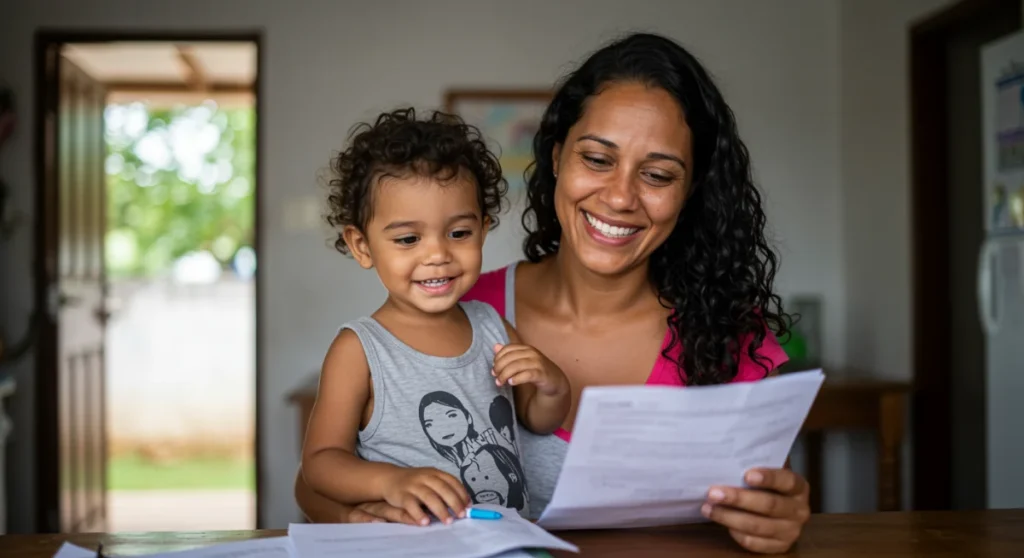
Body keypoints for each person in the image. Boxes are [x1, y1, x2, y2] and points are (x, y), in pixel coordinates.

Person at [296, 32, 811, 554]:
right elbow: (316, 480)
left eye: (657, 174)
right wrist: (369, 515)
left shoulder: (727, 334)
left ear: (690, 189)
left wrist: (777, 518)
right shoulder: (459, 311)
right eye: (598, 159)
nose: (620, 197)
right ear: (559, 156)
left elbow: (763, 500)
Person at [300, 108, 571, 527]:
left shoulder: (491, 325)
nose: (438, 254)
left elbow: (536, 419)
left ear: (483, 229)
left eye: (459, 233)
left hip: (506, 542)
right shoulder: (360, 349)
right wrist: (391, 482)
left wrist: (553, 386)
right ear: (362, 246)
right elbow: (320, 462)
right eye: (409, 239)